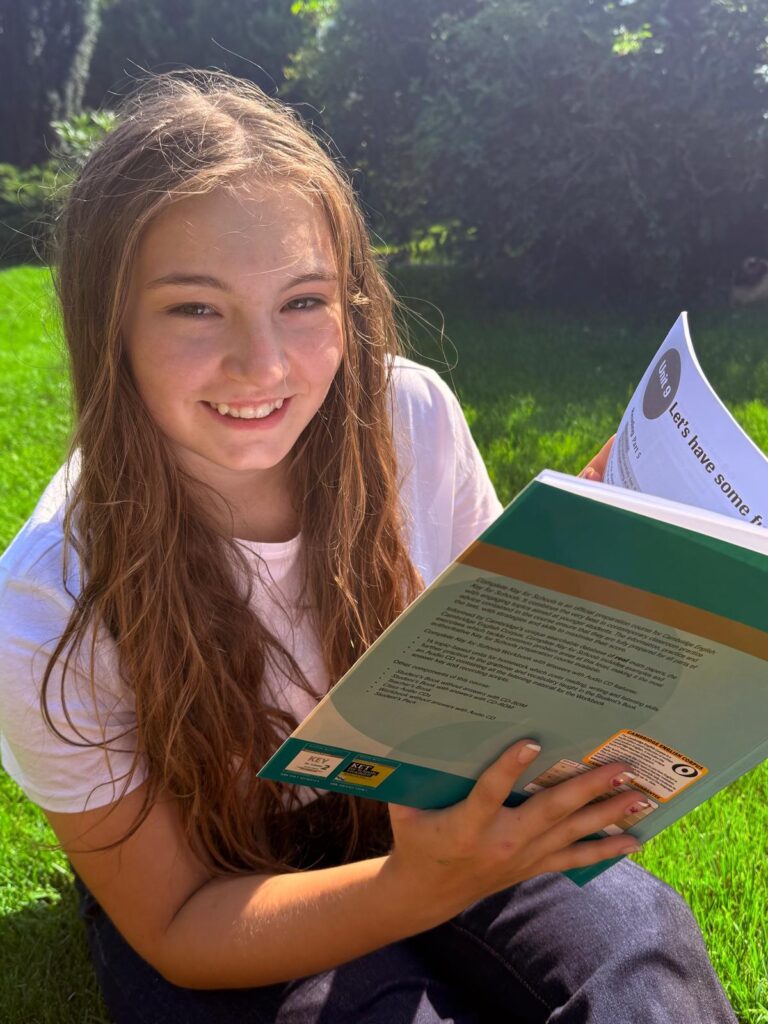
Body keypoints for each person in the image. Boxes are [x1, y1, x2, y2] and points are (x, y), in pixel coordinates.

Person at [0, 71, 737, 1024]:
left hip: (425, 797)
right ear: (108, 322)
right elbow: (177, 923)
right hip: (227, 881)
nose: (263, 363)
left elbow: (491, 654)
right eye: (195, 308)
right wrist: (408, 889)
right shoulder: (48, 601)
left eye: (303, 301)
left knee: (640, 953)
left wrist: (589, 582)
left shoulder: (408, 413)